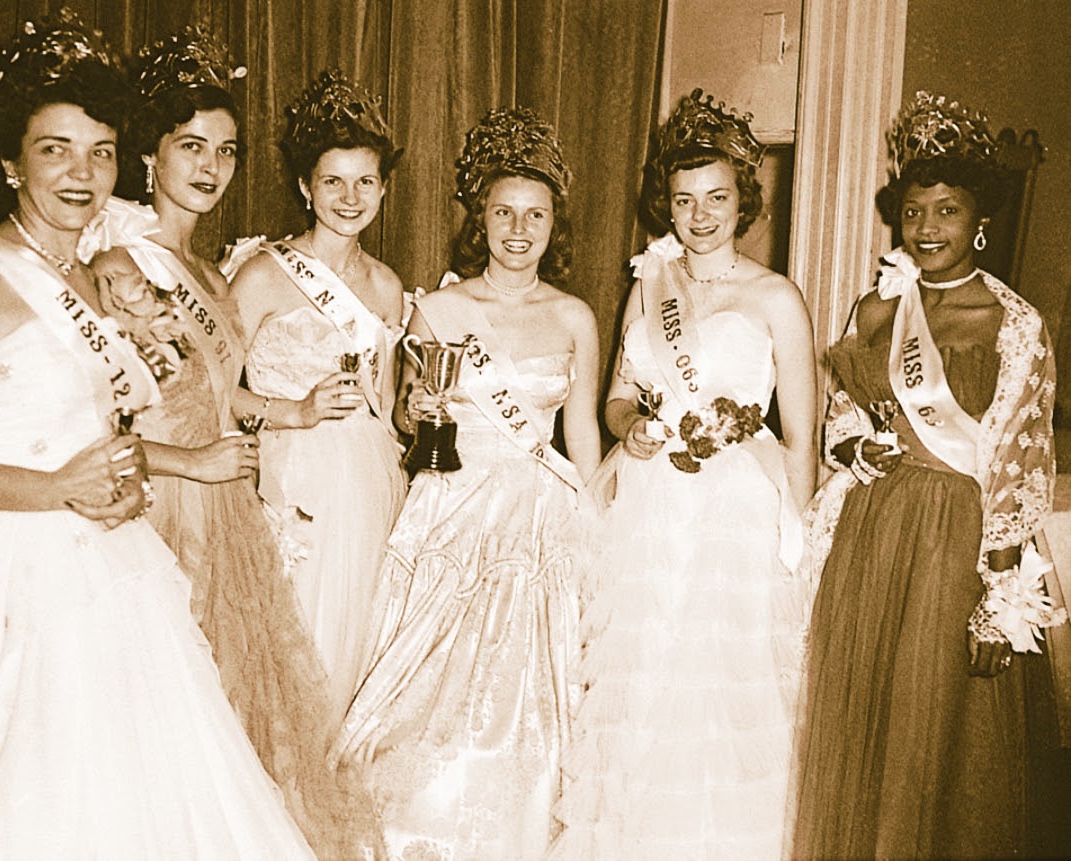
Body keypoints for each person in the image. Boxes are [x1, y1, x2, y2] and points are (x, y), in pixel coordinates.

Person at [0, 13, 313, 858]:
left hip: (114, 567)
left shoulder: (96, 274)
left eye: (101, 150)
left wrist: (128, 476)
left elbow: (96, 430)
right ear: (9, 161)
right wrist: (51, 491)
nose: (82, 172)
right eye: (55, 149)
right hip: (3, 578)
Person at [87, 30, 382, 858]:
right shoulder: (120, 264)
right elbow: (98, 422)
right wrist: (191, 462)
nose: (210, 167)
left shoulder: (211, 272)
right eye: (190, 147)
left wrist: (288, 415)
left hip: (224, 507)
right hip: (159, 508)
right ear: (149, 154)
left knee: (224, 720)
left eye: (225, 150)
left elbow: (223, 396)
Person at [791, 91, 1064, 859]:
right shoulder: (876, 311)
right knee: (864, 710)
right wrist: (852, 447)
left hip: (954, 540)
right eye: (914, 212)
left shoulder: (1014, 323)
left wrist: (998, 597)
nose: (928, 228)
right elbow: (840, 414)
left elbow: (1019, 457)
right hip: (873, 530)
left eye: (946, 211)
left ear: (979, 219)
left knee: (936, 720)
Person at [549, 89, 817, 860]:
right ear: (664, 205)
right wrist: (629, 425)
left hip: (736, 510)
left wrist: (796, 542)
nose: (699, 216)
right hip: (652, 501)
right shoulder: (649, 282)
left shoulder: (775, 297)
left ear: (743, 201)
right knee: (647, 665)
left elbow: (800, 433)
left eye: (716, 198)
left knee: (721, 681)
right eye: (682, 200)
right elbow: (615, 397)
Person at [334, 107, 601, 860]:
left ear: (555, 224)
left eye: (535, 215)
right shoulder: (438, 309)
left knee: (530, 696)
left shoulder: (574, 315)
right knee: (428, 694)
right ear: (478, 220)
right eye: (503, 212)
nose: (519, 229)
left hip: (541, 516)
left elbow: (580, 433)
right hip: (454, 504)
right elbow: (404, 414)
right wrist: (416, 407)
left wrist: (595, 533)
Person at [225, 69, 408, 718]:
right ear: (306, 187)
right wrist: (294, 412)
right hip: (290, 478)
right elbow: (213, 396)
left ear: (384, 187)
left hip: (370, 484)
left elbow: (390, 411)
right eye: (333, 180)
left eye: (365, 181)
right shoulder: (260, 275)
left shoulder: (387, 287)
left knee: (359, 637)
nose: (350, 196)